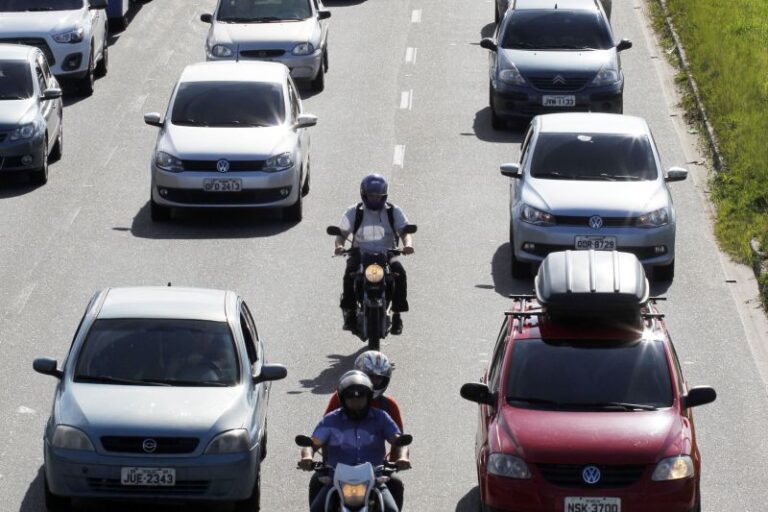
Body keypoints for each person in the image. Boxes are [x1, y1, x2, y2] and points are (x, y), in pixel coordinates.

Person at [299, 371, 409, 512]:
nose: (356, 403)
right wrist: (307, 456)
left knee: (391, 508)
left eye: (360, 398)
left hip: (375, 479)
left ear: (368, 398)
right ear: (342, 399)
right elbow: (312, 443)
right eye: (351, 398)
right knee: (317, 508)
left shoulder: (381, 417)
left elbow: (399, 441)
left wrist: (402, 457)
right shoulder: (331, 419)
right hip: (335, 480)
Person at [334, 174, 414, 335]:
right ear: (364, 194)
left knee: (400, 273)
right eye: (371, 196)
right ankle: (349, 312)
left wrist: (408, 245)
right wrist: (340, 246)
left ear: (384, 196)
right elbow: (341, 234)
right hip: (360, 253)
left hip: (387, 252)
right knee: (349, 274)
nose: (375, 199)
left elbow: (405, 232)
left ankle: (397, 314)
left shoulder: (393, 211)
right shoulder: (354, 211)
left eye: (378, 196)